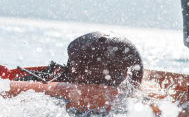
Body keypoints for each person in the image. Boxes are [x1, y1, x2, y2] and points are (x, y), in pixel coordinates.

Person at [15, 32, 144, 86]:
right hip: (83, 48)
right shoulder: (78, 51)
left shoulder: (129, 54)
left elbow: (137, 79)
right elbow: (75, 72)